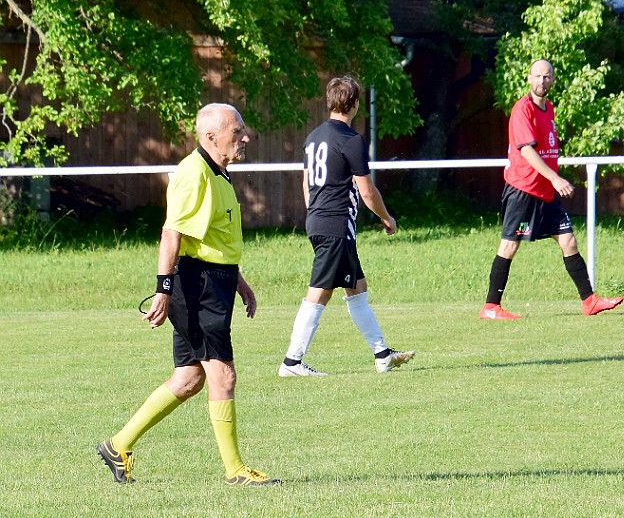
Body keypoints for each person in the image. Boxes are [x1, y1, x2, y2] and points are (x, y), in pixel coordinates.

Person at [97, 103, 280, 486]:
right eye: (237, 131)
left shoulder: (220, 174)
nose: (246, 137)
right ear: (211, 137)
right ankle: (235, 471)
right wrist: (163, 289)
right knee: (223, 376)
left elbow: (214, 238)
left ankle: (118, 444)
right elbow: (171, 233)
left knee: (188, 379)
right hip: (196, 286)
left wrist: (239, 281)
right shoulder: (192, 172)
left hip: (215, 280)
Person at [278, 76, 414, 377]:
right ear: (354, 104)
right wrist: (387, 217)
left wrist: (315, 212)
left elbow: (306, 183)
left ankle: (382, 354)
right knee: (319, 291)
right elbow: (367, 191)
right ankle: (291, 362)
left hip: (318, 220)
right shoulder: (351, 140)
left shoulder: (313, 137)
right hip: (336, 225)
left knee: (356, 287)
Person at [480, 59, 623, 320]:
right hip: (523, 192)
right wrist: (556, 178)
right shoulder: (522, 110)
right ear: (528, 78)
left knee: (568, 239)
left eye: (547, 77)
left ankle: (589, 301)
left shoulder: (549, 109)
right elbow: (526, 150)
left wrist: (552, 182)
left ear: (553, 80)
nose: (542, 81)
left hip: (545, 194)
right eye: (537, 76)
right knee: (510, 245)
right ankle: (491, 306)